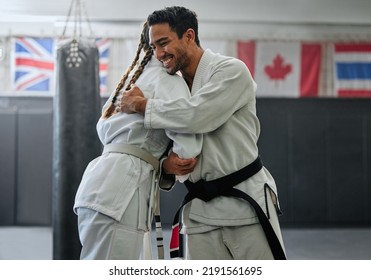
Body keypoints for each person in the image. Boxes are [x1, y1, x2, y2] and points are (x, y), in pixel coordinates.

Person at [120, 6, 287, 260]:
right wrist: (166, 166)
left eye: (164, 43)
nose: (159, 53)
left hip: (244, 205)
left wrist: (143, 106)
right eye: (154, 47)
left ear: (188, 35)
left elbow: (196, 116)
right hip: (199, 214)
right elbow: (161, 141)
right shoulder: (170, 85)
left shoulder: (230, 70)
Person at [73, 21, 202, 260]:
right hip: (123, 192)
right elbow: (189, 146)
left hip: (96, 186)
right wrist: (171, 165)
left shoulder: (130, 80)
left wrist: (158, 161)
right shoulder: (169, 81)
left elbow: (104, 129)